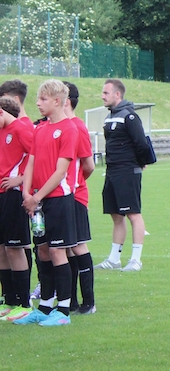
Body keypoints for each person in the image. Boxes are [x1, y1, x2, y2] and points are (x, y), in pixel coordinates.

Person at [14, 79, 79, 326]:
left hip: (58, 199)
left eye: (43, 99)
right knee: (42, 251)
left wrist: (37, 197)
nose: (38, 103)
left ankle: (63, 310)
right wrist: (26, 193)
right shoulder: (39, 129)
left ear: (57, 101)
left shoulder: (69, 129)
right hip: (37, 201)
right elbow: (31, 161)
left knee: (57, 251)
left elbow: (61, 171)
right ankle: (45, 306)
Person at [96, 79, 151, 271]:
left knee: (133, 214)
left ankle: (136, 260)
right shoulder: (110, 117)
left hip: (127, 171)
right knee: (116, 215)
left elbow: (141, 143)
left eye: (106, 93)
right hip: (112, 171)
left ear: (117, 94)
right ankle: (114, 259)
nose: (102, 96)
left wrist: (140, 163)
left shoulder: (130, 116)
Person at [0, 90, 34, 319]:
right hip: (1, 194)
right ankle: (9, 300)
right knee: (2, 248)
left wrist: (20, 179)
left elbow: (38, 158)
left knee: (14, 248)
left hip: (13, 195)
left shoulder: (21, 129)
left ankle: (25, 303)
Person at [64, 83, 96, 315]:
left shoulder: (77, 127)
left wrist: (74, 184)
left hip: (74, 195)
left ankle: (89, 301)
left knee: (77, 245)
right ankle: (71, 301)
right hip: (59, 196)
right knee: (64, 247)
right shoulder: (58, 126)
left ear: (65, 100)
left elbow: (89, 165)